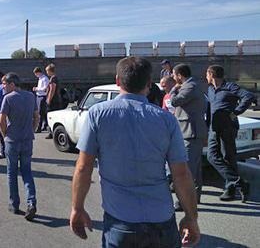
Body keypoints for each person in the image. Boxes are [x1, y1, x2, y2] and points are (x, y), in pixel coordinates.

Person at [70, 57, 200, 247]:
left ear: (117, 81)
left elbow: (83, 167)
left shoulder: (97, 114)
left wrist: (77, 207)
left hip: (120, 221)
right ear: (149, 84)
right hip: (161, 219)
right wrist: (191, 217)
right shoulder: (166, 120)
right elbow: (181, 174)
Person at [206, 65, 256, 202]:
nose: (206, 77)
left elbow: (248, 96)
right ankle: (239, 182)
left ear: (212, 75)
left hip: (227, 127)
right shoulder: (210, 89)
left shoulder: (230, 87)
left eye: (207, 74)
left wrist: (236, 112)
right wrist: (207, 126)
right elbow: (210, 108)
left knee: (228, 157)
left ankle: (230, 189)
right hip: (213, 128)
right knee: (212, 156)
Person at [0, 72, 39, 221]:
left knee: (12, 173)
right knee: (27, 172)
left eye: (5, 84)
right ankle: (31, 202)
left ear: (12, 84)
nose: (3, 87)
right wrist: (32, 130)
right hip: (27, 139)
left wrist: (5, 136)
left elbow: (1, 121)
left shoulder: (8, 99)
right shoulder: (30, 96)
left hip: (12, 140)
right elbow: (37, 117)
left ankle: (14, 204)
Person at [170, 64, 207, 211]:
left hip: (190, 132)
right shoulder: (192, 85)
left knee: (187, 170)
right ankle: (194, 199)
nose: (173, 77)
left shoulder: (189, 86)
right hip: (192, 131)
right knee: (195, 170)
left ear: (179, 75)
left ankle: (184, 203)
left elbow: (175, 101)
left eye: (174, 74)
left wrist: (173, 90)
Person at [45, 64, 62, 139]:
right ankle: (53, 132)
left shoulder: (53, 78)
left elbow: (52, 89)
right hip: (56, 100)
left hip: (53, 101)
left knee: (51, 116)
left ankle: (51, 133)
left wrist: (49, 99)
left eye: (47, 71)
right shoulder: (55, 77)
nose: (46, 72)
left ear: (50, 70)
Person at [32, 67, 49, 133]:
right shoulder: (40, 79)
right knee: (43, 113)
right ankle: (45, 125)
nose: (36, 75)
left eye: (36, 74)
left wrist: (36, 89)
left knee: (40, 112)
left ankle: (38, 128)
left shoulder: (45, 79)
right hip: (39, 96)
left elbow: (45, 88)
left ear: (38, 72)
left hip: (42, 96)